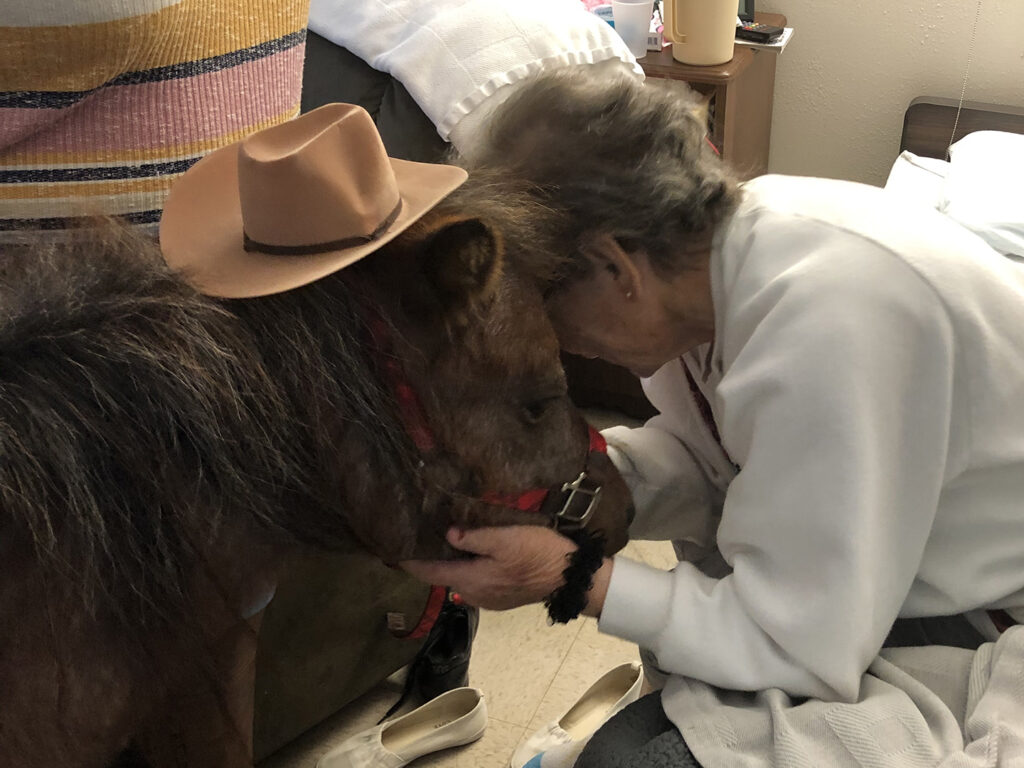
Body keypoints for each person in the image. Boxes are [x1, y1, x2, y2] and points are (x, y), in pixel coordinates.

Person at [402, 70, 1024, 767]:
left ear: (614, 266)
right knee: (635, 740)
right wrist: (574, 492)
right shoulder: (724, 262)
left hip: (982, 614)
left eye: (550, 313)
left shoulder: (829, 325)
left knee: (629, 760)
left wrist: (569, 577)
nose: (560, 344)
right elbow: (719, 458)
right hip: (878, 584)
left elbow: (795, 645)